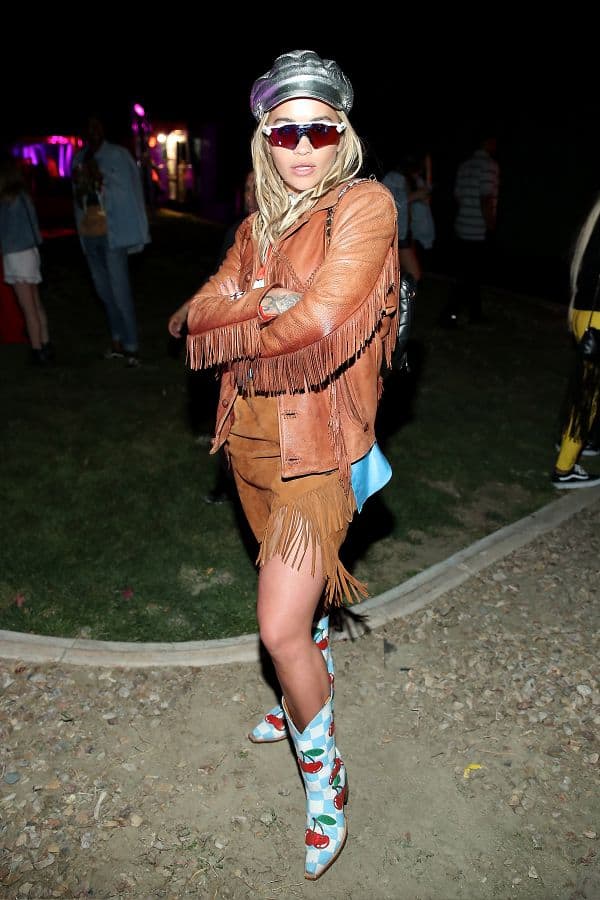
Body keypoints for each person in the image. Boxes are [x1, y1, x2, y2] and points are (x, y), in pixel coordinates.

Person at [184, 50, 399, 880]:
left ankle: (326, 779)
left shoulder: (364, 206)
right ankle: (305, 683)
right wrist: (260, 302)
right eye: (285, 131)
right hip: (246, 445)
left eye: (319, 129)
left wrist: (251, 314)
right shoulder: (254, 230)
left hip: (318, 454)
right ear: (263, 140)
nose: (303, 145)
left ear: (342, 134)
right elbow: (192, 321)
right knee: (296, 620)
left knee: (276, 628)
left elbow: (319, 325)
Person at [168, 170, 258, 504]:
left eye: (257, 187)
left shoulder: (284, 234)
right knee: (231, 412)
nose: (250, 194)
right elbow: (219, 282)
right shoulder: (237, 232)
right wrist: (186, 311)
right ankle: (227, 484)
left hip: (266, 341)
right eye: (246, 188)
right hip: (234, 338)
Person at [72, 116, 150, 367]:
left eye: (97, 125)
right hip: (89, 234)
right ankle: (117, 340)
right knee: (103, 291)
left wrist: (140, 231)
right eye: (88, 127)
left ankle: (131, 345)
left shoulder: (118, 156)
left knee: (119, 290)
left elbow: (132, 191)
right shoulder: (78, 158)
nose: (93, 131)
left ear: (104, 128)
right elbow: (77, 199)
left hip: (113, 235)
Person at [551, 195, 600, 488]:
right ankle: (564, 469)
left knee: (588, 392)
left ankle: (584, 440)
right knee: (587, 397)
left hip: (586, 313)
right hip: (597, 318)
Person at [440, 132, 499, 327]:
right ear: (487, 142)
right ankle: (453, 312)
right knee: (471, 274)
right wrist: (490, 225)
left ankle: (473, 312)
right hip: (478, 228)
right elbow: (486, 198)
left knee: (467, 272)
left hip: (462, 224)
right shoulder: (490, 166)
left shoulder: (465, 166)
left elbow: (458, 196)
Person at [0, 156, 53, 364]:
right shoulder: (24, 196)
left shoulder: (5, 200)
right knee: (36, 303)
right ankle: (46, 344)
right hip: (31, 252)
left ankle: (37, 349)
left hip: (16, 254)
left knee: (27, 307)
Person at [383, 149, 435, 283]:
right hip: (396, 234)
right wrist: (414, 196)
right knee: (414, 274)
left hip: (410, 232)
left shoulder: (414, 179)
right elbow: (388, 202)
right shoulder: (393, 178)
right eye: (422, 165)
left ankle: (397, 294)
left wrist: (427, 173)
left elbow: (426, 199)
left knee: (401, 273)